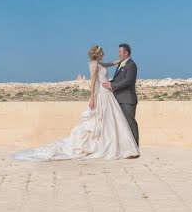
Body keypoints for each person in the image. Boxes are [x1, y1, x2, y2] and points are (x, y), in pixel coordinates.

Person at [11, 45, 139, 161]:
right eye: (102, 52)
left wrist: (122, 60)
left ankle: (118, 146)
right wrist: (92, 98)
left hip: (107, 95)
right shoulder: (94, 64)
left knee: (109, 122)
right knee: (102, 122)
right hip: (101, 95)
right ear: (98, 54)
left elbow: (112, 63)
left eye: (120, 52)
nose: (104, 53)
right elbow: (93, 82)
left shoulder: (100, 63)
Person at [102, 43, 139, 148]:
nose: (118, 54)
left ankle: (135, 148)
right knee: (122, 125)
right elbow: (119, 79)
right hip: (119, 99)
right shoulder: (121, 64)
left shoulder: (131, 65)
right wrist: (108, 83)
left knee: (130, 123)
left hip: (127, 100)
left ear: (126, 53)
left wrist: (112, 85)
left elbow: (128, 81)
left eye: (120, 52)